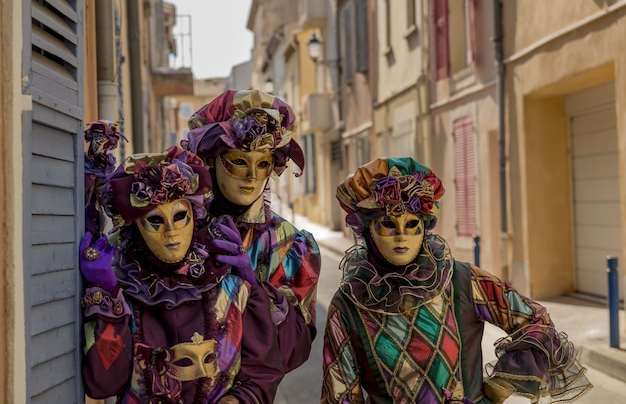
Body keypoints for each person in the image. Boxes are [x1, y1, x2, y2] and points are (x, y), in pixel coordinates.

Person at [320, 157, 592, 404]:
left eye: (413, 223)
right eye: (388, 224)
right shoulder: (348, 305)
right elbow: (340, 393)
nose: (401, 235)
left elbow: (535, 321)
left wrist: (497, 389)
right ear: (367, 230)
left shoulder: (462, 280)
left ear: (425, 226)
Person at [79, 146, 283, 404]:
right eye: (155, 220)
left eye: (179, 217)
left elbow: (264, 371)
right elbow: (103, 384)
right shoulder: (124, 295)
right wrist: (107, 299)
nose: (171, 233)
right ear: (136, 228)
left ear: (195, 215)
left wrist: (239, 400)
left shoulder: (232, 291)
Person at [183, 89, 321, 374]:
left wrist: (257, 294)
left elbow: (293, 353)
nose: (252, 177)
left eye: (263, 164)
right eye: (238, 161)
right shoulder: (179, 228)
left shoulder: (290, 245)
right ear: (211, 159)